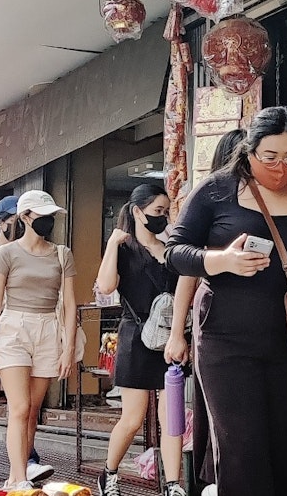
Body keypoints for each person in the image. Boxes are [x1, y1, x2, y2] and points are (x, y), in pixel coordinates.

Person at [165, 107, 287, 495]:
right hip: (226, 342)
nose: (281, 167)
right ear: (250, 152)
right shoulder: (217, 190)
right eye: (270, 157)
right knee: (241, 451)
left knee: (285, 449)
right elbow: (175, 251)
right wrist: (220, 260)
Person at [164, 128, 246, 494]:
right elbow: (187, 273)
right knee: (219, 409)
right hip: (215, 323)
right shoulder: (213, 202)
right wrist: (176, 332)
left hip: (252, 324)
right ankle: (214, 481)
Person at [0, 190, 78, 490]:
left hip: (48, 328)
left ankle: (16, 473)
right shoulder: (6, 254)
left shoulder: (63, 253)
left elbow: (71, 304)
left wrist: (69, 348)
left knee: (33, 410)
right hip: (14, 329)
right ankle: (19, 477)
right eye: (41, 216)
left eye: (50, 216)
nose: (47, 221)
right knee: (19, 407)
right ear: (24, 217)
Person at [95, 184, 186, 496]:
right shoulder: (124, 249)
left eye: (165, 211)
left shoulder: (170, 250)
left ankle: (173, 484)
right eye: (157, 212)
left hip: (169, 341)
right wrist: (111, 244)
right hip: (135, 338)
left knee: (171, 417)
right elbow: (106, 287)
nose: (162, 217)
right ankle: (109, 474)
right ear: (137, 211)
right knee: (132, 418)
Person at [0, 196, 51, 485]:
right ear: (2, 222)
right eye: (17, 221)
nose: (21, 226)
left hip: (25, 321)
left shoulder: (34, 252)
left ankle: (27, 461)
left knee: (26, 401)